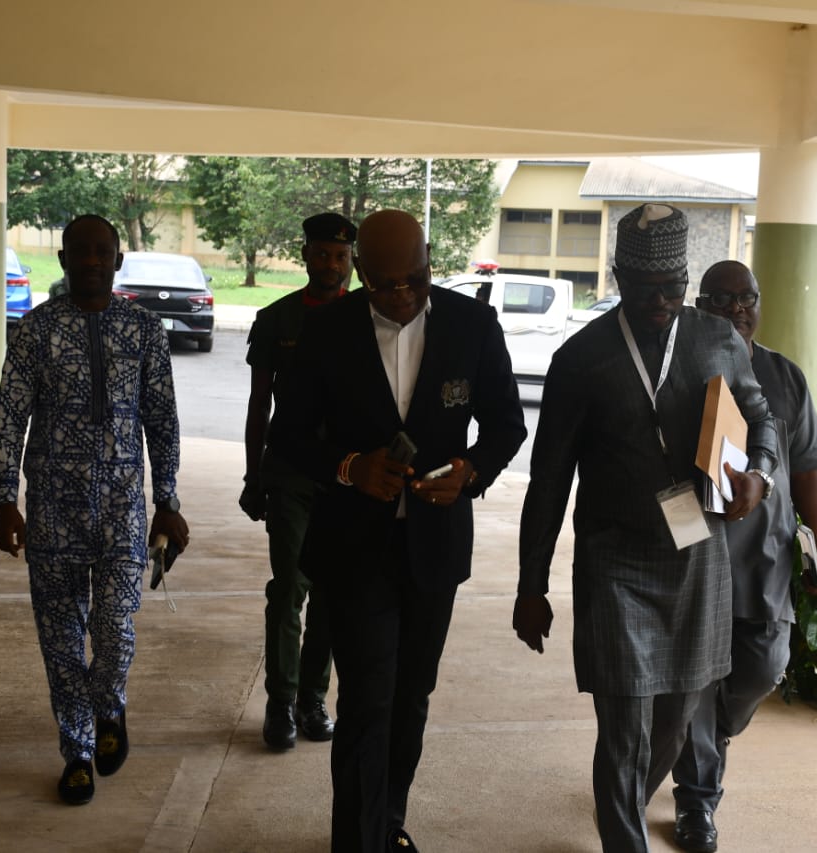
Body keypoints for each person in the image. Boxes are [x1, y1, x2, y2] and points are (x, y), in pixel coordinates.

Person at [514, 203, 778, 853]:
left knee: (675, 720)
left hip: (697, 555)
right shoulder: (582, 359)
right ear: (618, 278)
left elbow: (760, 416)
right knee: (625, 724)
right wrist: (531, 583)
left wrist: (760, 474)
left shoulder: (716, 340)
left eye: (673, 287)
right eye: (645, 288)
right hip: (616, 562)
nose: (661, 301)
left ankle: (622, 807)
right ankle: (624, 839)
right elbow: (549, 480)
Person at [268, 209, 527, 853]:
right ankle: (357, 841)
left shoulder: (472, 325)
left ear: (430, 261)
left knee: (412, 696)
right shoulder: (326, 332)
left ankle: (387, 823)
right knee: (367, 700)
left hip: (435, 546)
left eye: (416, 279)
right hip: (356, 548)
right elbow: (289, 436)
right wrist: (350, 467)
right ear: (360, 273)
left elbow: (506, 424)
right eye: (385, 285)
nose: (404, 295)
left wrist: (470, 471)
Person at [0, 214, 190, 806]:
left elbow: (162, 418)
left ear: (118, 259)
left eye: (104, 252)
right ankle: (77, 751)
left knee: (114, 629)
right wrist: (4, 498)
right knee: (60, 640)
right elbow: (9, 417)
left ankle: (110, 705)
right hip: (53, 509)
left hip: (124, 509)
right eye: (82, 251)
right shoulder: (37, 329)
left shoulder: (144, 329)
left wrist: (168, 500)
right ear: (64, 259)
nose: (93, 261)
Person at [669, 260, 817, 853]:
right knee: (698, 680)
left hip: (765, 557)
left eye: (748, 298)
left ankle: (714, 734)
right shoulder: (678, 371)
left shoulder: (784, 376)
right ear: (699, 306)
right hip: (698, 549)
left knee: (763, 666)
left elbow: (807, 469)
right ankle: (697, 802)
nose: (738, 309)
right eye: (721, 299)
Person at [240, 212, 357, 750]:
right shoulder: (277, 320)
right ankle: (280, 702)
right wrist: (253, 474)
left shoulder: (366, 318)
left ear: (351, 261)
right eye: (322, 254)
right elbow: (258, 404)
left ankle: (313, 699)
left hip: (346, 477)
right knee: (290, 588)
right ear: (306, 254)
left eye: (341, 256)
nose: (331, 264)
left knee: (333, 593)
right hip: (289, 472)